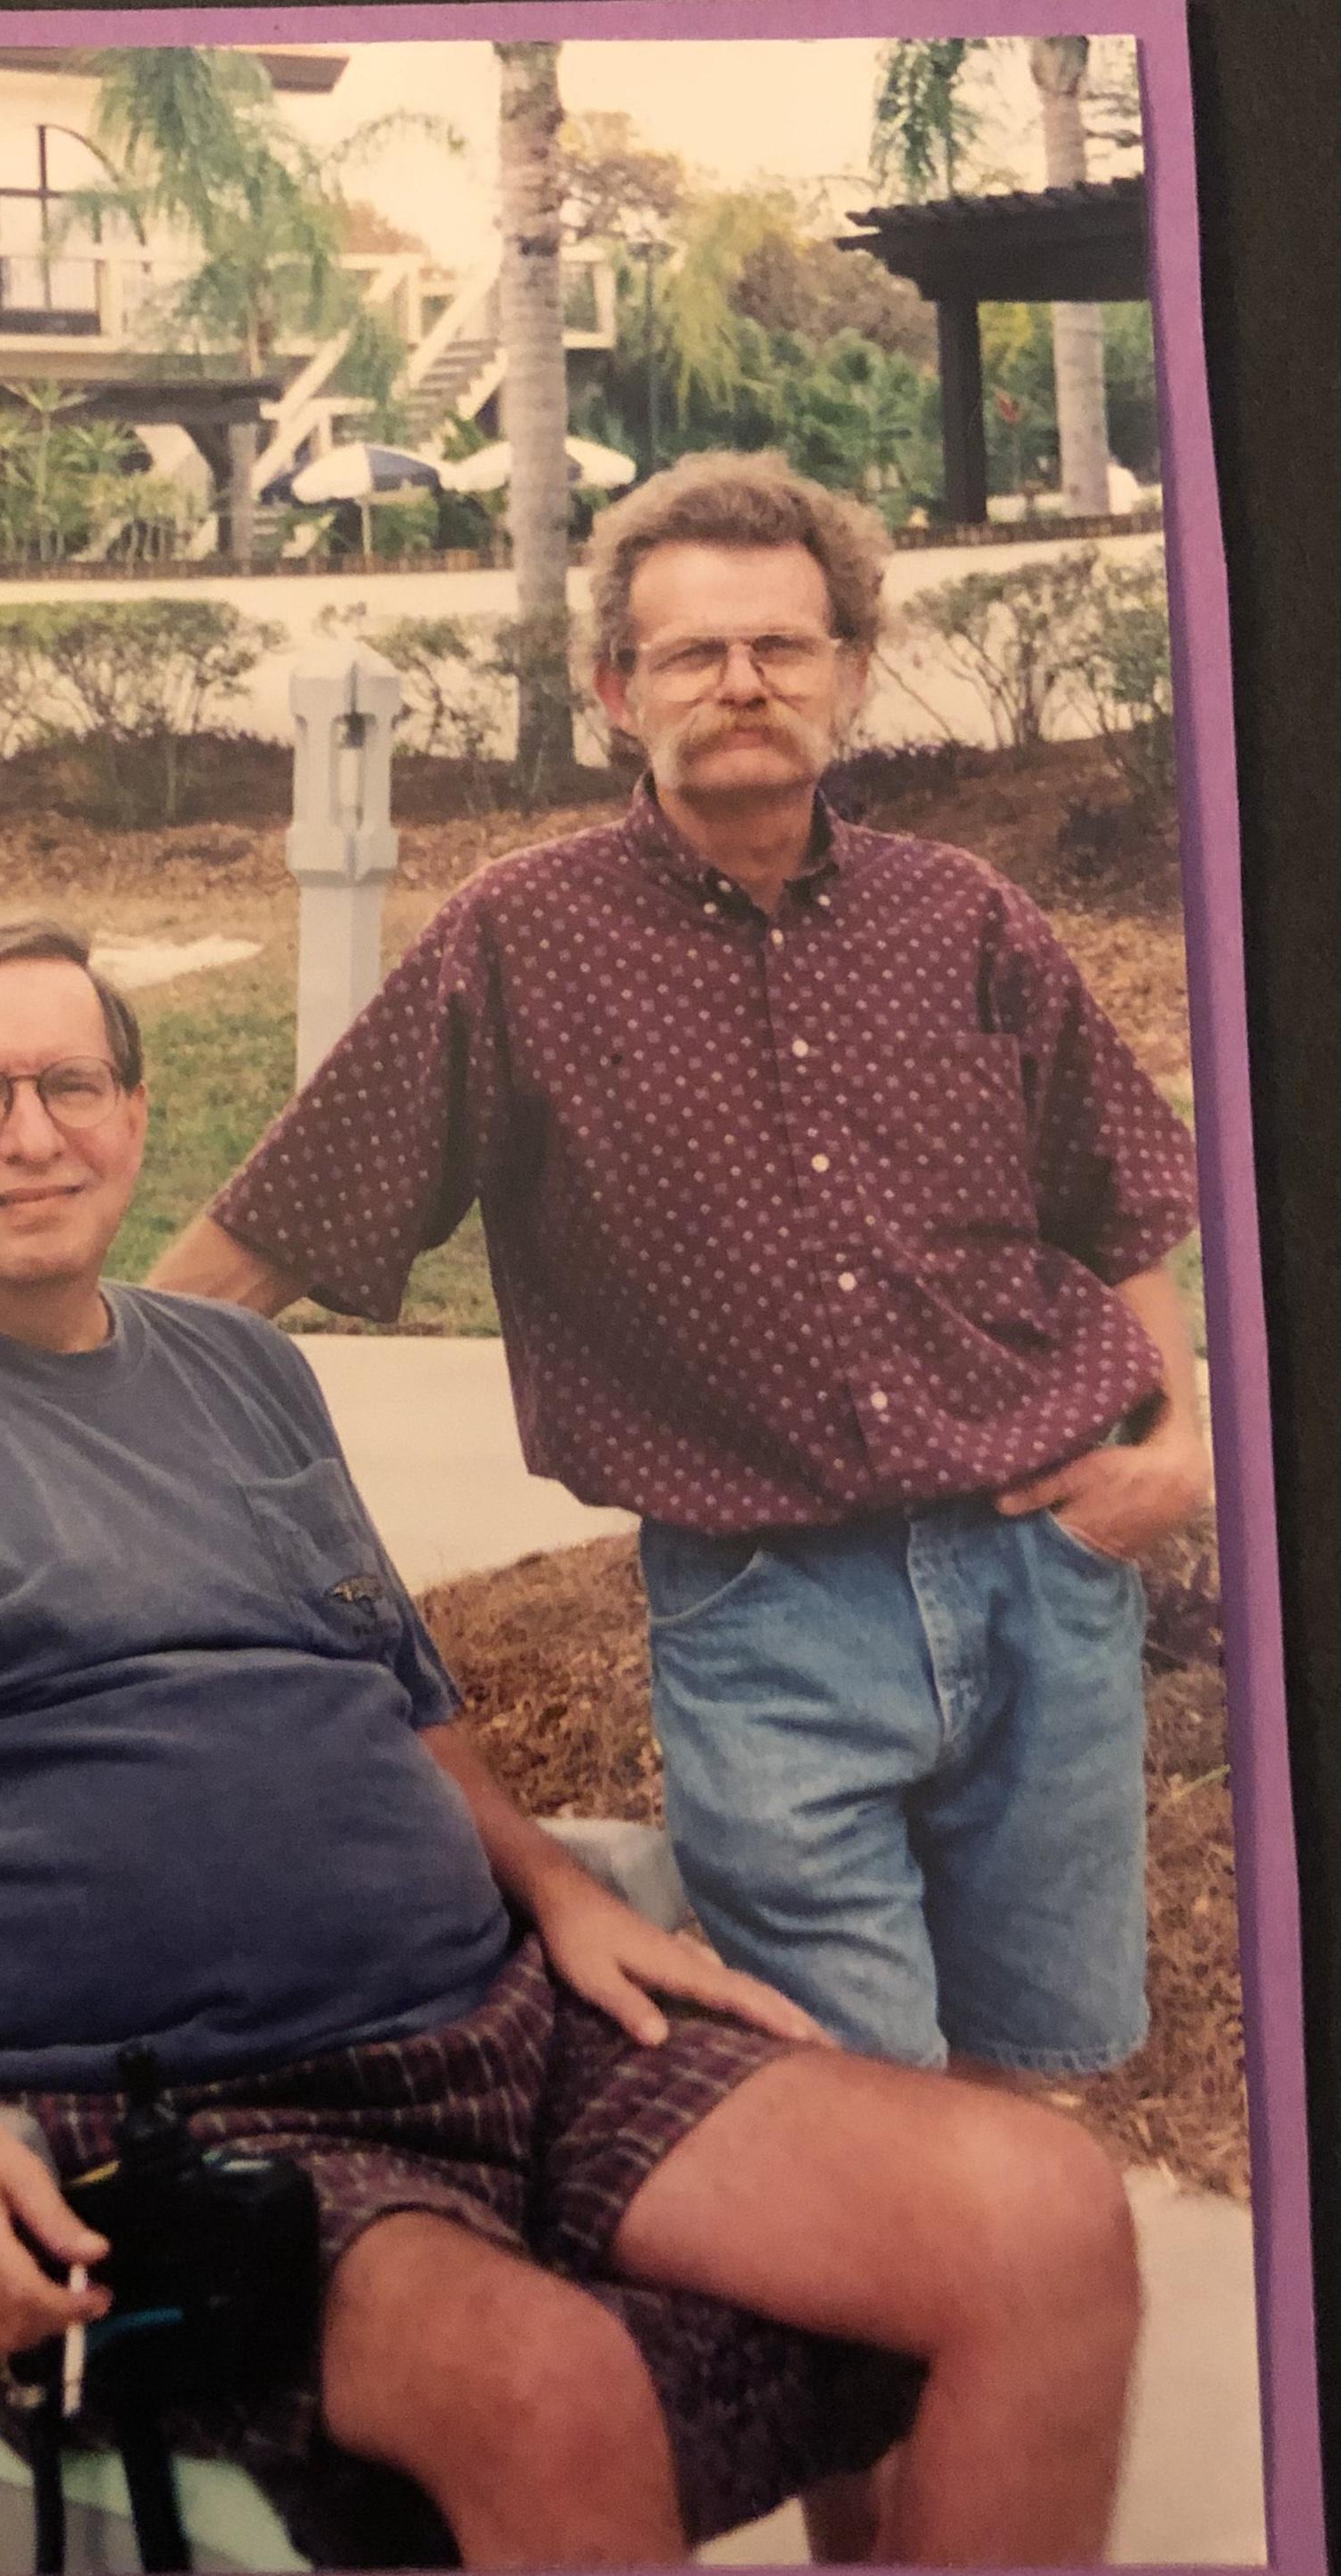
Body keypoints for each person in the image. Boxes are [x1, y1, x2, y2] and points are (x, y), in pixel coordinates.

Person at [0, 921, 1141, 2569]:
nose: (33, 1134)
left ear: (138, 1114)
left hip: (497, 2033)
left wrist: (558, 1889)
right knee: (548, 2389)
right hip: (171, 2122)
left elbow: (396, 1696)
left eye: (72, 1083)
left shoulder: (242, 1371)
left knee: (1039, 2217)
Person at [150, 450, 1210, 2083]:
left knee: (1035, 2069)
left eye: (781, 646)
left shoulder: (965, 918)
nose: (741, 683)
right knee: (848, 2085)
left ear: (849, 674)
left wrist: (1177, 1443)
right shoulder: (520, 940)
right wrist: (41, 1395)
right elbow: (290, 1218)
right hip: (765, 1610)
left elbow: (1119, 1193)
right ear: (613, 690)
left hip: (1041, 1579)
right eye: (693, 652)